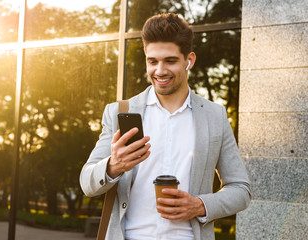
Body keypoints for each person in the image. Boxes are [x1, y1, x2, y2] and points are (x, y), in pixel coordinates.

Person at [80, 13, 251, 240]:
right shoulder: (120, 112)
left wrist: (200, 205)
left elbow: (241, 189)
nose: (159, 71)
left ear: (189, 60)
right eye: (152, 61)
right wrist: (113, 166)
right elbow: (87, 182)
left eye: (170, 61)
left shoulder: (214, 116)